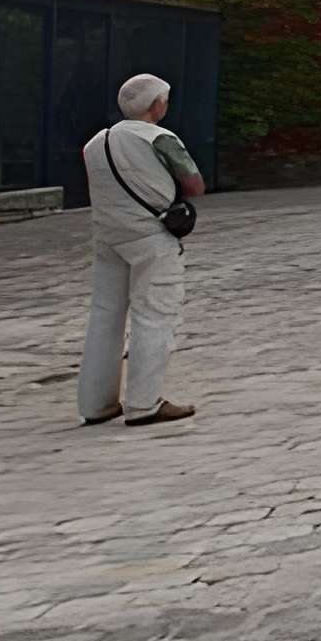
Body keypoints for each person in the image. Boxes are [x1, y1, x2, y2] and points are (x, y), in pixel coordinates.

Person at [79, 72, 203, 428]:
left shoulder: (95, 143)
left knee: (105, 317)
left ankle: (95, 403)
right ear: (156, 105)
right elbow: (194, 185)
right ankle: (143, 403)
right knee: (154, 315)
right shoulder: (159, 138)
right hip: (150, 237)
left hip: (108, 237)